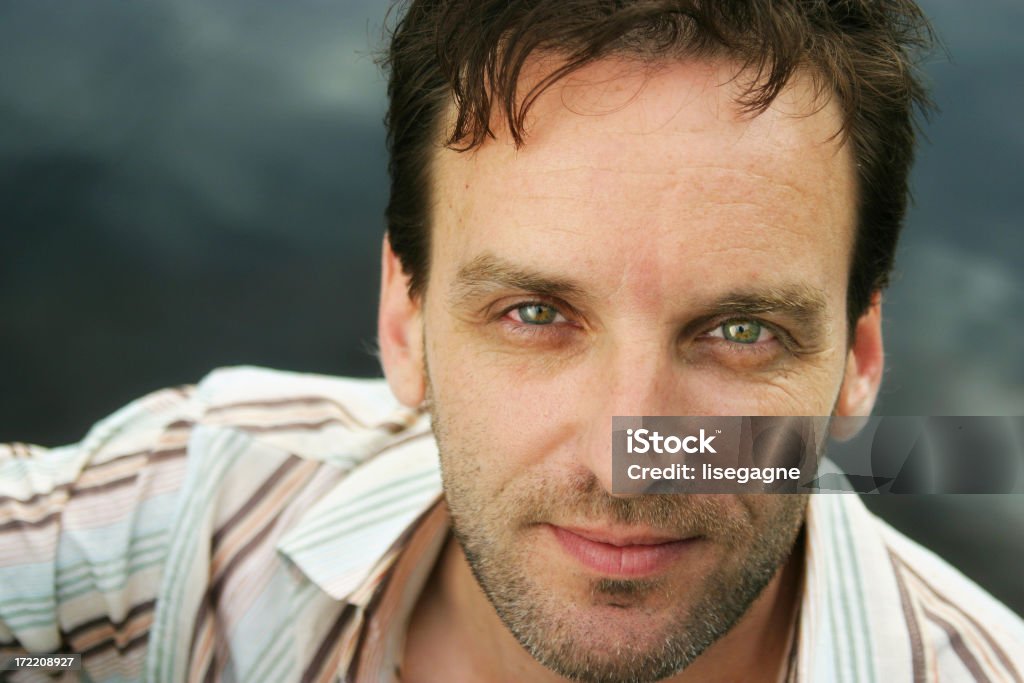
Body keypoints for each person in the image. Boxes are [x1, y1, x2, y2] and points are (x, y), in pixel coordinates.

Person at [1, 0, 1022, 681]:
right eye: (535, 314)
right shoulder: (195, 506)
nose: (625, 463)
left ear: (859, 359)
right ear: (403, 319)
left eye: (742, 330)